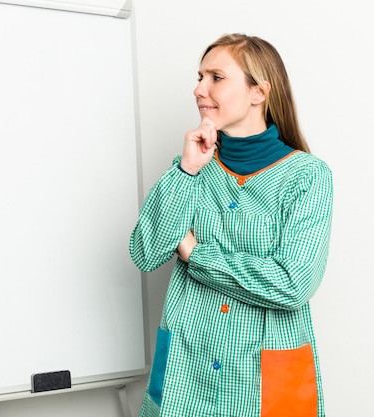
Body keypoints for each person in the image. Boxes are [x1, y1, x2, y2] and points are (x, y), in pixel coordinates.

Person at [130, 33, 333, 417]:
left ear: (258, 92)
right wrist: (187, 170)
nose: (198, 88)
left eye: (215, 77)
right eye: (200, 76)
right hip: (187, 374)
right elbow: (144, 252)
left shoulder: (308, 177)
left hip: (262, 381)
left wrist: (195, 254)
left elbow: (292, 284)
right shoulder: (192, 168)